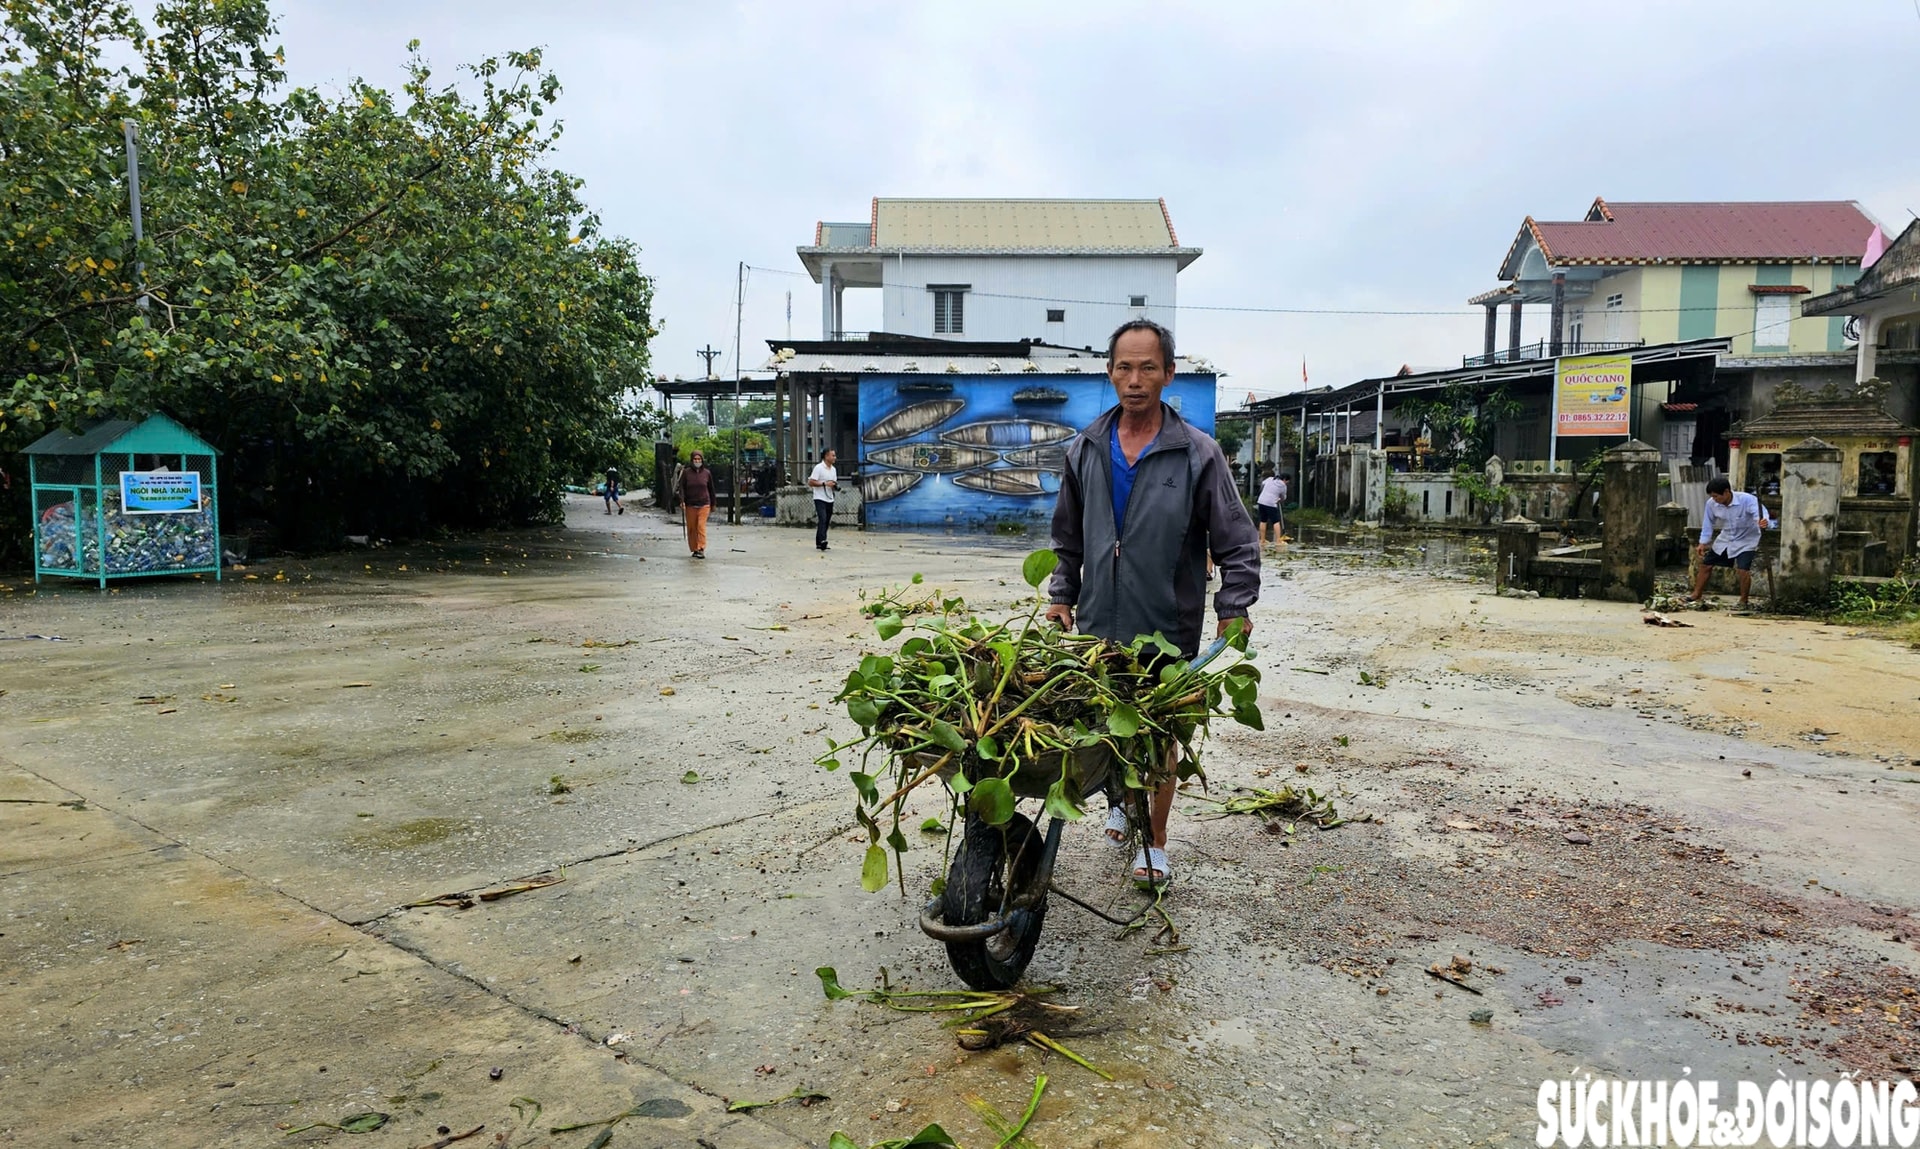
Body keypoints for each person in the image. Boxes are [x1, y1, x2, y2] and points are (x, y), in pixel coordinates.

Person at [1045, 319, 1260, 887]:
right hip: (1097, 623)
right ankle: (1120, 800)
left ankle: (1155, 842)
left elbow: (1236, 539)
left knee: (1161, 732)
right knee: (1106, 723)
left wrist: (1234, 608)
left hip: (1168, 622)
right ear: (1109, 372)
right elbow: (1067, 536)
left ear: (1168, 372)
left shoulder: (1197, 453)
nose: (1134, 379)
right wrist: (1062, 594)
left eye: (1147, 367)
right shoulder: (1086, 448)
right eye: (1123, 367)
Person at [1691, 475, 1771, 608]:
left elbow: (1760, 514)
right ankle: (1696, 594)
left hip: (1747, 538)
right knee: (1706, 565)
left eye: (1717, 496)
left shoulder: (1747, 499)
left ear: (1727, 492)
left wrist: (1762, 521)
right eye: (1713, 496)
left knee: (1743, 569)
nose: (1715, 500)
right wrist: (1703, 542)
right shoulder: (1711, 504)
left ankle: (1743, 600)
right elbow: (1708, 523)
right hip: (1726, 537)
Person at [675, 450, 714, 559]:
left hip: (704, 504)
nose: (697, 461)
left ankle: (701, 548)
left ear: (702, 460)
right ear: (692, 460)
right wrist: (682, 500)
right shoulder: (686, 473)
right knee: (692, 528)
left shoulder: (707, 473)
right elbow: (681, 488)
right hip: (690, 504)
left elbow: (711, 489)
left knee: (701, 526)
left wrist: (713, 503)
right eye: (695, 459)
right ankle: (694, 548)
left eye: (699, 459)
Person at [807, 448, 838, 551]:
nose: (834, 458)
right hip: (819, 497)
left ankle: (819, 542)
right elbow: (811, 482)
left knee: (827, 520)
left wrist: (834, 485)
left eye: (834, 455)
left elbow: (833, 482)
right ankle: (823, 540)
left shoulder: (833, 469)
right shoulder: (819, 468)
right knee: (823, 518)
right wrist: (824, 484)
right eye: (832, 455)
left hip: (830, 497)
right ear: (826, 456)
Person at [1256, 467, 1287, 547]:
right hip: (1271, 503)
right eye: (1287, 481)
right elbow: (1283, 497)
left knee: (1263, 520)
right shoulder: (1283, 485)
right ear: (1284, 480)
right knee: (1276, 521)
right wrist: (1280, 499)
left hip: (1261, 501)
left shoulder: (1269, 479)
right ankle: (1278, 540)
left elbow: (1262, 486)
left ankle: (1262, 540)